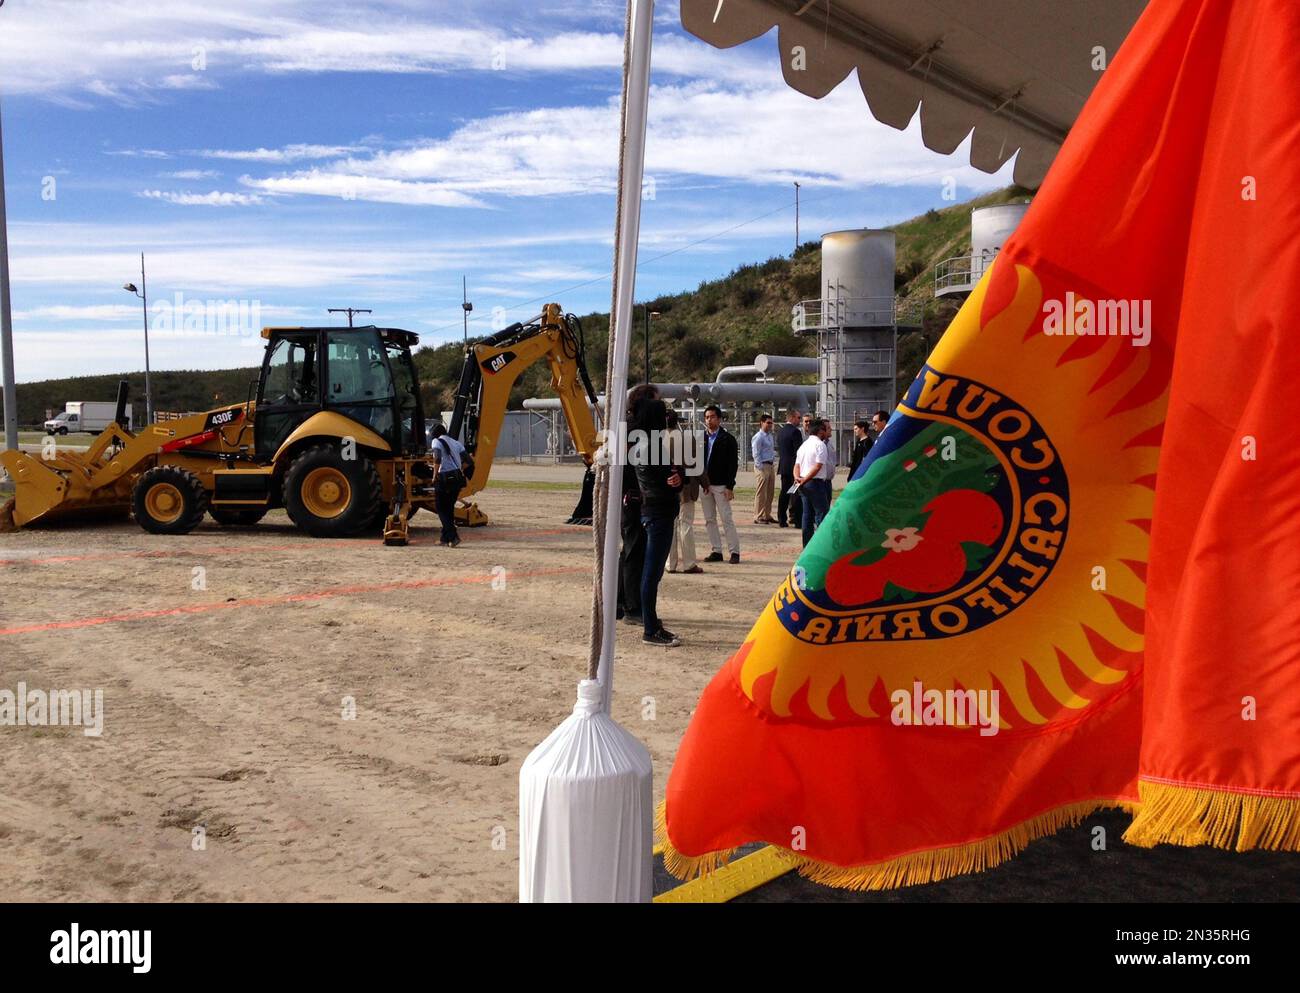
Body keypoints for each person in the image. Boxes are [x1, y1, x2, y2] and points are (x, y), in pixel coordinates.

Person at [631, 392, 684, 647]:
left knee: (651, 572)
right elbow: (668, 481)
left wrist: (675, 478)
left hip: (653, 510)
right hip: (659, 512)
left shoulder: (643, 443)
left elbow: (669, 477)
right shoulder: (651, 445)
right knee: (652, 573)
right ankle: (650, 629)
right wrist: (676, 480)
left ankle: (651, 623)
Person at [700, 404, 740, 564]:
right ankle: (716, 550)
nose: (709, 420)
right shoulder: (701, 438)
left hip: (721, 485)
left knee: (726, 519)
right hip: (705, 485)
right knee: (709, 519)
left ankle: (734, 551)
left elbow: (732, 465)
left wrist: (730, 486)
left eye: (712, 417)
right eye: (707, 417)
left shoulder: (727, 439)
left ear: (719, 419)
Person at [666, 409, 703, 575]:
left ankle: (670, 564)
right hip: (686, 487)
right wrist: (705, 483)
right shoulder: (688, 439)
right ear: (677, 421)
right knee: (686, 524)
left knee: (670, 526)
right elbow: (697, 465)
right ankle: (689, 563)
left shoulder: (656, 439)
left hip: (665, 488)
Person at [794, 417, 832, 547]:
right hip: (815, 483)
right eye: (826, 429)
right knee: (822, 514)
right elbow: (818, 466)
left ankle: (807, 546)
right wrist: (805, 478)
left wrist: (798, 478)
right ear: (821, 431)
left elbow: (797, 465)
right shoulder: (820, 445)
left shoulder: (803, 445)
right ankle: (822, 546)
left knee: (807, 515)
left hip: (803, 483)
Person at [428, 423, 466, 547]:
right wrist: (459, 470)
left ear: (435, 433)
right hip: (457, 479)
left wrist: (434, 475)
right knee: (448, 508)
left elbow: (437, 458)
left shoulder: (436, 441)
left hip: (444, 478)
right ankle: (444, 538)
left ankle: (453, 536)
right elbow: (469, 461)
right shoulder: (456, 443)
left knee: (440, 508)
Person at [775, 407, 803, 529]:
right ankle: (797, 520)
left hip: (784, 466)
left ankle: (781, 518)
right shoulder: (795, 432)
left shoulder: (780, 431)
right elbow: (799, 451)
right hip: (794, 468)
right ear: (791, 418)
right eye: (798, 418)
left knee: (785, 493)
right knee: (795, 493)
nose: (800, 420)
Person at [751, 414, 776, 524]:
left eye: (771, 423)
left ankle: (767, 514)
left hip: (770, 465)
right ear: (762, 423)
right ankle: (758, 516)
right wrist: (760, 468)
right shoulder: (758, 437)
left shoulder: (770, 436)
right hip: (762, 466)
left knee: (770, 491)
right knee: (761, 492)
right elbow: (756, 453)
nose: (770, 425)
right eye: (768, 422)